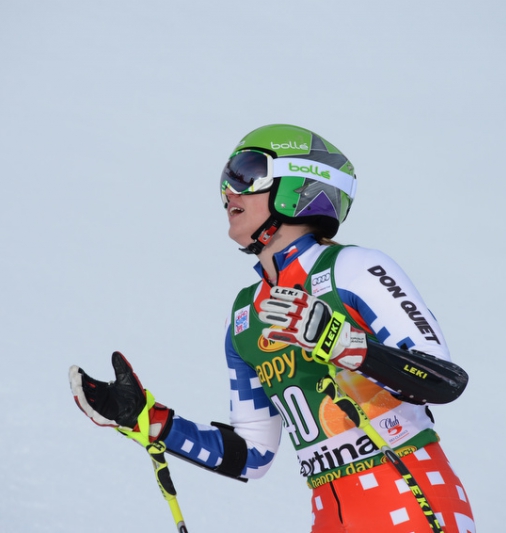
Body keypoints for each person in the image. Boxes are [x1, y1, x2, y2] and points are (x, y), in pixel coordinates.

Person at [69, 124, 476, 532]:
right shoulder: (246, 317)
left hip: (410, 498)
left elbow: (444, 381)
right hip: (329, 515)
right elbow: (253, 454)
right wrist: (151, 420)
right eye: (226, 179)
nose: (229, 191)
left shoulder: (352, 269)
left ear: (298, 186)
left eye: (247, 173)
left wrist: (342, 343)